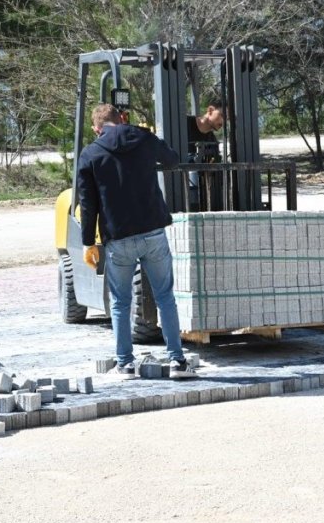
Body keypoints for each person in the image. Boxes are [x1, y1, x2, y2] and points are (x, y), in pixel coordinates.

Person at [77, 103, 197, 379]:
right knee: (165, 297)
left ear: (96, 128)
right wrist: (150, 139)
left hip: (118, 238)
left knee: (121, 302)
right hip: (153, 232)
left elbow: (88, 203)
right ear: (121, 119)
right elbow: (172, 161)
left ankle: (125, 365)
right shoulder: (142, 138)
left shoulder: (91, 153)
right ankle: (177, 362)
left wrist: (88, 242)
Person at [186, 94, 226, 211]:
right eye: (222, 115)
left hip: (202, 196)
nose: (224, 121)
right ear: (210, 110)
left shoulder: (212, 141)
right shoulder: (184, 124)